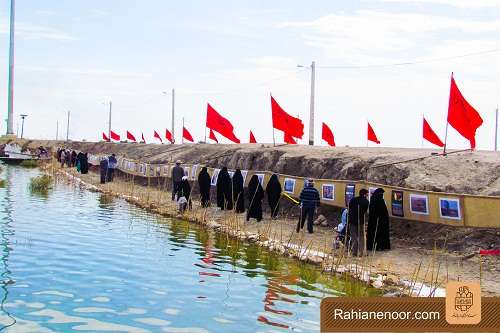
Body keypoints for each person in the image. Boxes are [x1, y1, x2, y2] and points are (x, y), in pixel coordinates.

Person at [348, 188, 369, 257]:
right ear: (365, 194)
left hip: (352, 220)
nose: (367, 195)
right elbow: (365, 212)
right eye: (367, 194)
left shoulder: (353, 199)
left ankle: (354, 252)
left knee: (353, 236)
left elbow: (349, 208)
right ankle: (361, 252)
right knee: (361, 237)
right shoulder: (366, 201)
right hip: (360, 221)